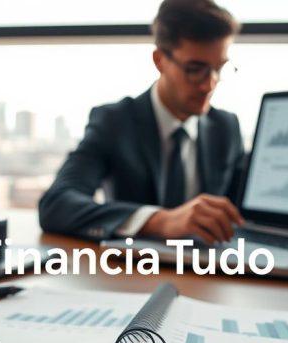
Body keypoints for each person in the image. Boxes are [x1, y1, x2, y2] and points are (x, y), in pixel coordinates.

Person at [38, 0, 246, 245]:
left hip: (211, 272)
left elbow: (244, 212)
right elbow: (56, 204)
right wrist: (161, 221)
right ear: (159, 60)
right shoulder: (114, 122)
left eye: (218, 69)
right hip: (132, 273)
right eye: (195, 69)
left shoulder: (227, 127)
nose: (208, 84)